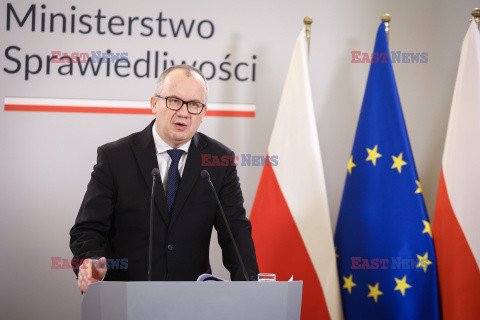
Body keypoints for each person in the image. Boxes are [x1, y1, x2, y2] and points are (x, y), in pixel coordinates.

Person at [70, 64, 258, 293]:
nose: (184, 112)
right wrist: (91, 263)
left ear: (203, 113)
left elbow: (235, 234)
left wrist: (252, 291)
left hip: (191, 303)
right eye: (174, 101)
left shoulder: (219, 161)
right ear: (154, 104)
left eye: (194, 105)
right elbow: (88, 228)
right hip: (125, 300)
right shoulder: (115, 157)